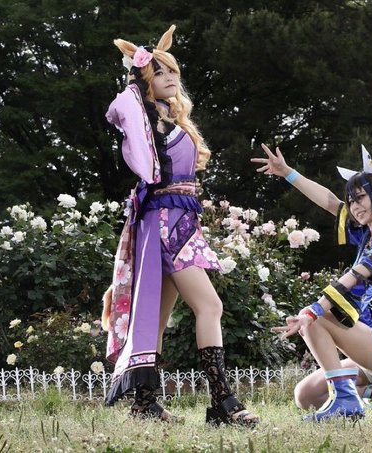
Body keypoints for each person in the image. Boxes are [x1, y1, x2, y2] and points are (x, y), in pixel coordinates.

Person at [100, 25, 258, 426]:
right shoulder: (145, 120)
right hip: (165, 223)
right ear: (144, 80)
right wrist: (136, 75)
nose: (170, 77)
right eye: (159, 72)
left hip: (179, 220)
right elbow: (120, 109)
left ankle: (145, 405)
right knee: (210, 306)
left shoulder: (170, 118)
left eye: (172, 71)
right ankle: (222, 403)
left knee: (155, 317)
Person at [252, 143, 372, 420]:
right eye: (351, 201)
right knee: (307, 395)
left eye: (360, 198)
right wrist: (287, 172)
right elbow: (329, 201)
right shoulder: (368, 237)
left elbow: (350, 279)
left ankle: (346, 401)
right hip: (369, 340)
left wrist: (311, 313)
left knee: (315, 318)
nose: (354, 206)